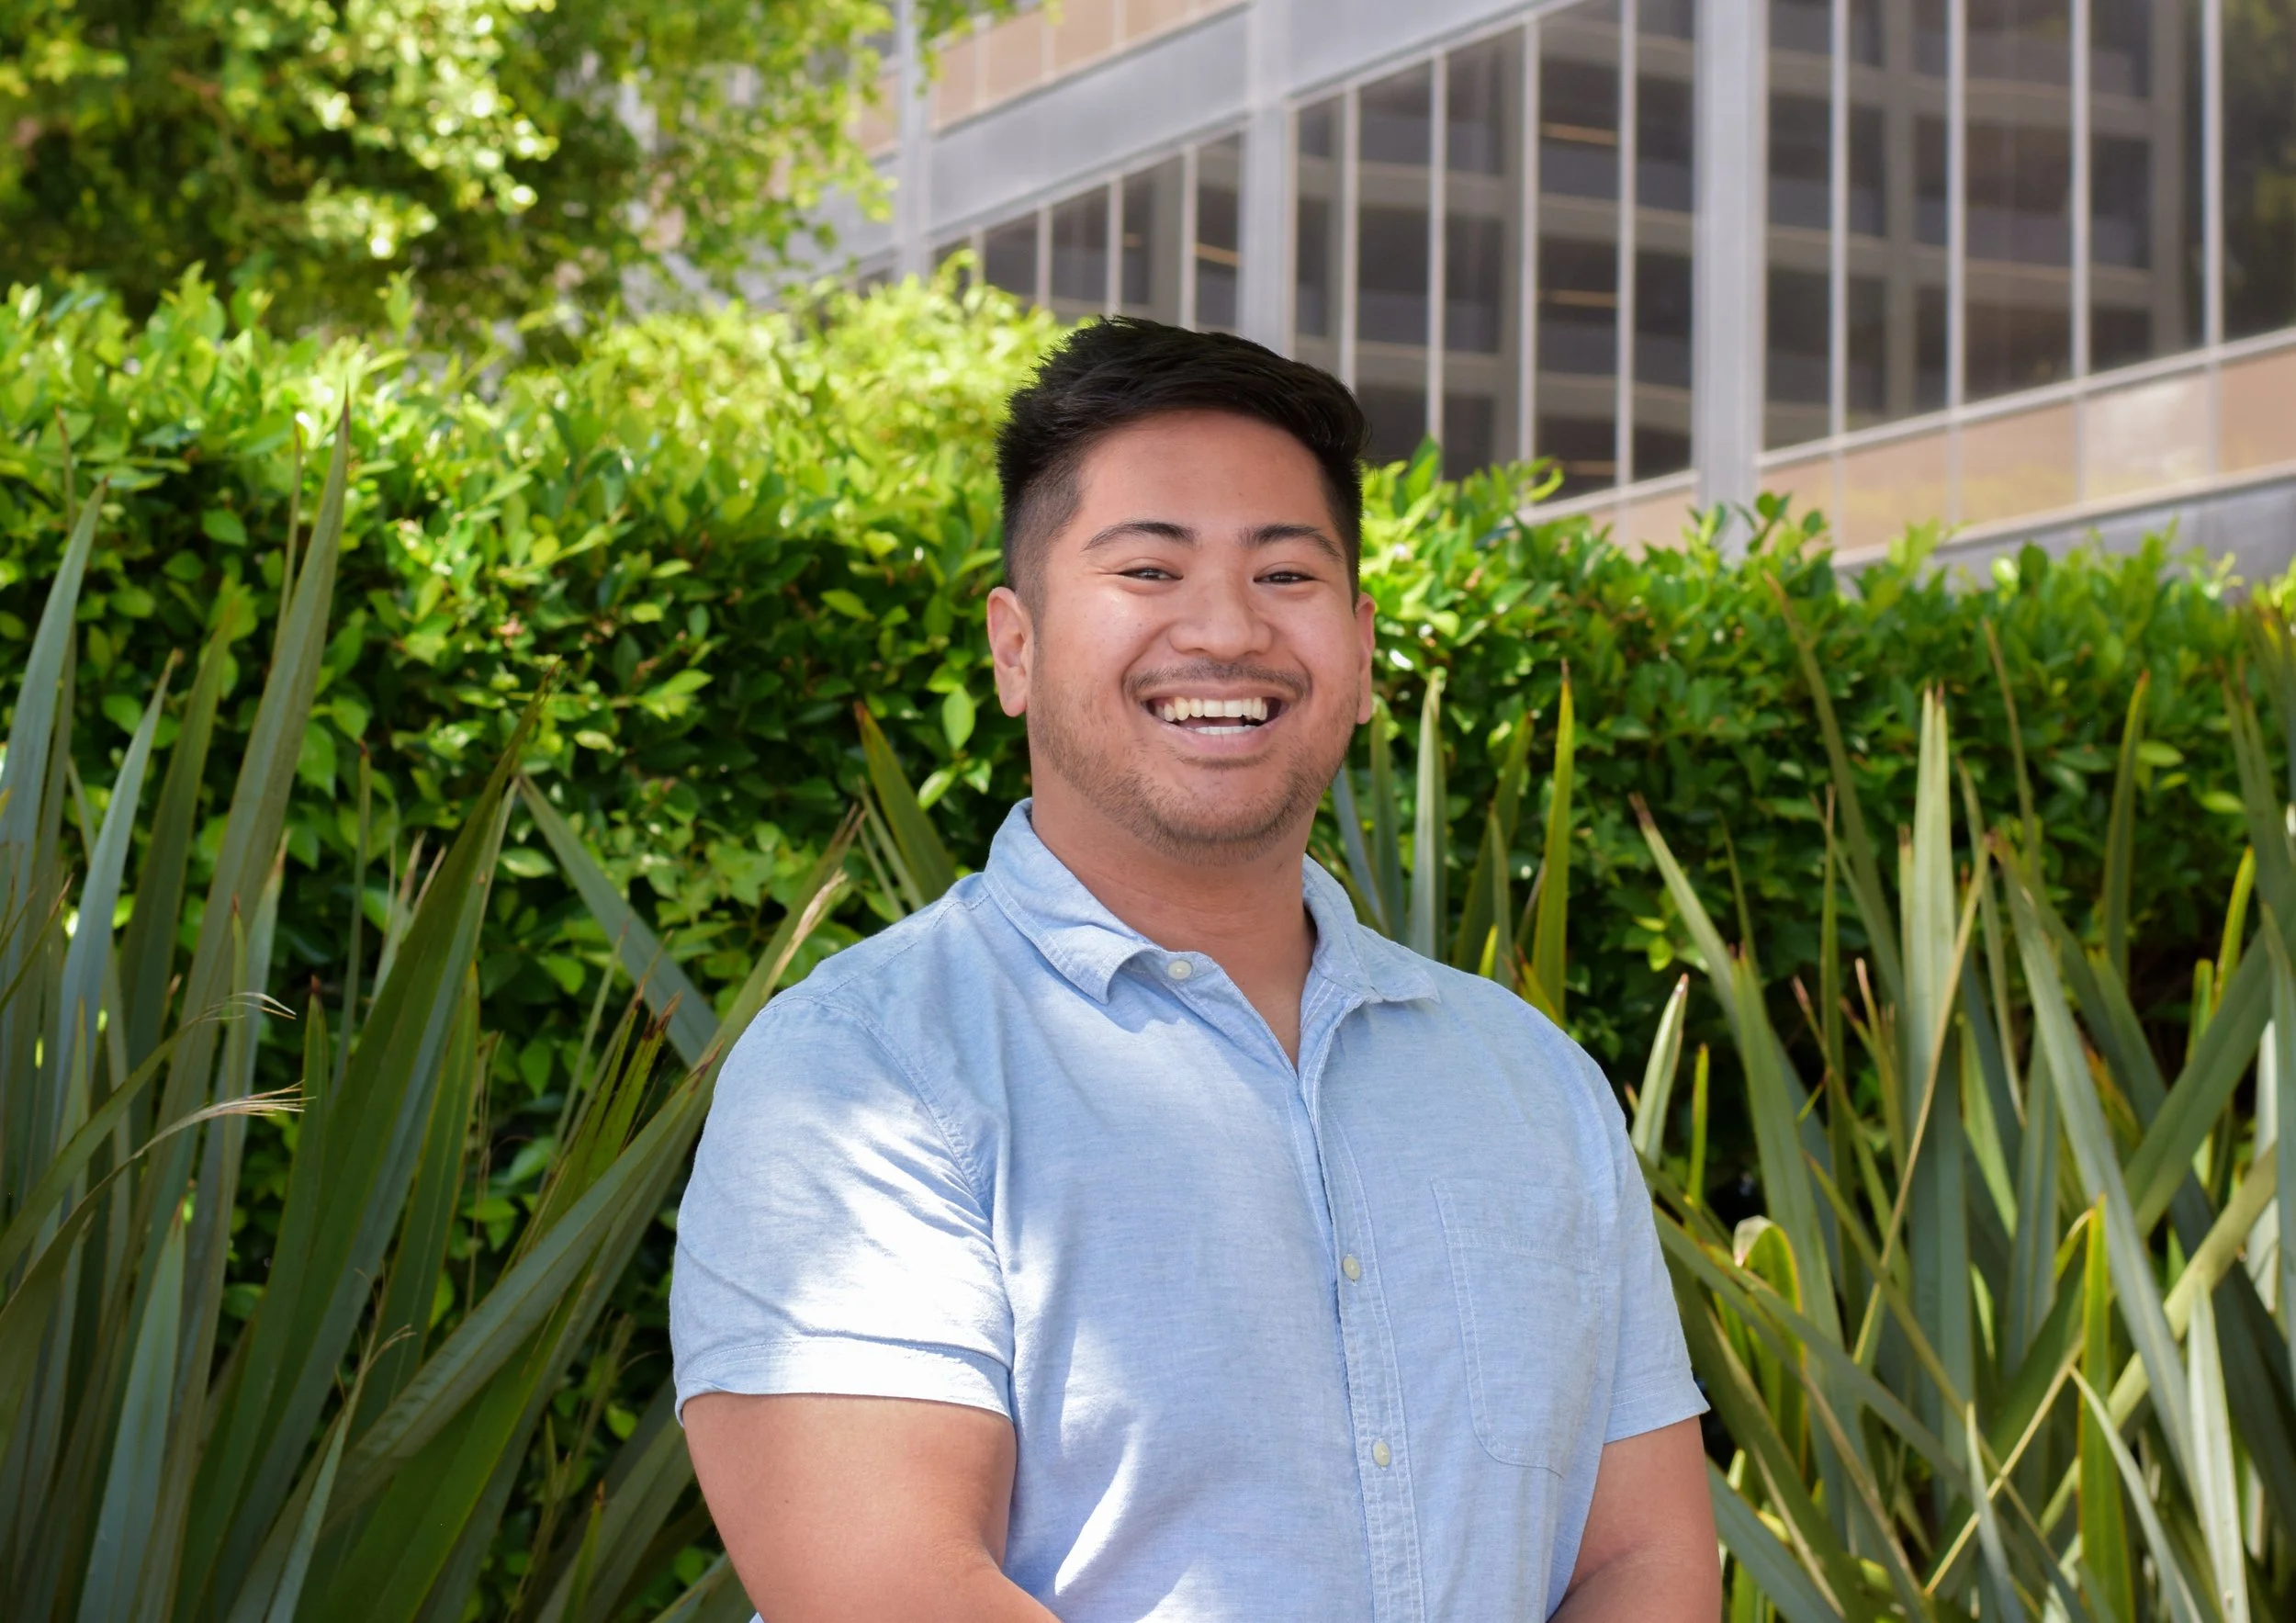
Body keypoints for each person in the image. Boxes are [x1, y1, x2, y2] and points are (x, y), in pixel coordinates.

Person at [671, 317, 1717, 1621]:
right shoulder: (860, 1073)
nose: (1226, 630)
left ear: (1361, 648)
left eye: (1286, 575)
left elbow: (1642, 1559)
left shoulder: (1530, 1080)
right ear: (1015, 645)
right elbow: (892, 1587)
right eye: (1150, 568)